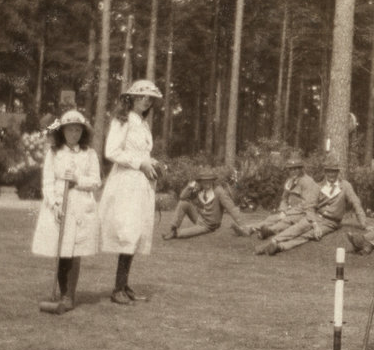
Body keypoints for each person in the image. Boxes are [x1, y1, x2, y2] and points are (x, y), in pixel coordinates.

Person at [99, 79, 163, 305]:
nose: (146, 101)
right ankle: (117, 288)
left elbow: (140, 152)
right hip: (125, 183)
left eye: (150, 98)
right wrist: (139, 163)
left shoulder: (143, 124)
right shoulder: (122, 119)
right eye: (141, 97)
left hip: (140, 183)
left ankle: (124, 285)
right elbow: (111, 151)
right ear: (131, 98)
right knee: (128, 231)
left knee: (135, 232)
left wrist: (150, 162)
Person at [30, 110, 101, 313]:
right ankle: (63, 293)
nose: (74, 134)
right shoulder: (54, 153)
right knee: (61, 250)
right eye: (70, 130)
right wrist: (54, 205)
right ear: (62, 131)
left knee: (74, 251)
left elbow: (96, 182)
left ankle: (69, 296)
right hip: (59, 206)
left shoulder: (89, 154)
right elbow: (47, 183)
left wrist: (78, 179)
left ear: (83, 132)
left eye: (78, 130)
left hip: (80, 205)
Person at [254, 159, 368, 255]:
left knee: (309, 235)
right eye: (329, 171)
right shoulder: (318, 186)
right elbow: (310, 207)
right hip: (315, 217)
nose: (331, 175)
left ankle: (280, 247)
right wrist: (315, 224)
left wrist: (364, 224)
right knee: (298, 227)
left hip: (331, 222)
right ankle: (272, 242)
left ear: (338, 172)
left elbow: (356, 203)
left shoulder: (346, 186)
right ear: (325, 172)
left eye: (334, 171)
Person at [233, 157, 319, 239]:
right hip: (291, 210)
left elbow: (307, 204)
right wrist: (283, 210)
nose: (293, 171)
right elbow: (284, 198)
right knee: (272, 218)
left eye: (296, 169)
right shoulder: (290, 180)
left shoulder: (308, 182)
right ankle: (250, 229)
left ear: (301, 169)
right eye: (291, 169)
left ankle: (269, 231)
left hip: (303, 212)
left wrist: (288, 213)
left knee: (287, 221)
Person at [163, 168, 245, 240]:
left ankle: (175, 233)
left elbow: (231, 208)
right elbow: (182, 197)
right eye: (205, 183)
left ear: (213, 181)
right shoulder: (200, 190)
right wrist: (190, 187)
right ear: (200, 182)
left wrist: (241, 225)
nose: (207, 185)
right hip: (200, 219)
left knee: (182, 234)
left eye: (209, 182)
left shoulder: (219, 192)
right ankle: (172, 229)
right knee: (183, 203)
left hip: (209, 225)